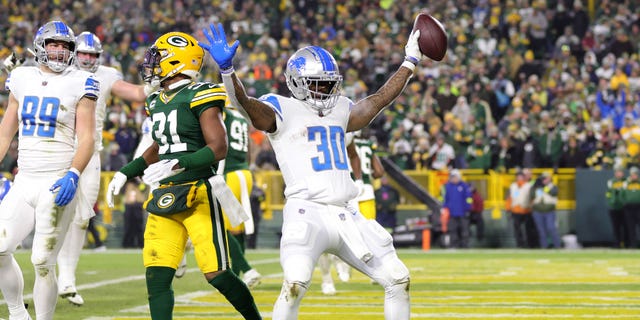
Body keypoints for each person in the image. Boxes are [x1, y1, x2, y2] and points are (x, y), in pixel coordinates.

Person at [199, 21, 425, 319]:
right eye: (317, 83)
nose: (325, 89)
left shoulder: (340, 109)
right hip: (307, 211)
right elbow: (246, 105)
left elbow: (379, 100)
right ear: (295, 82)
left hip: (347, 212)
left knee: (398, 279)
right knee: (295, 284)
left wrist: (410, 62)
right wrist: (228, 72)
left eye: (329, 83)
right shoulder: (280, 107)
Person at [105, 31, 261, 320]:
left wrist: (180, 163)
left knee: (217, 274)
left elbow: (218, 147)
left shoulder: (202, 93)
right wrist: (126, 172)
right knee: (157, 277)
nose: (151, 64)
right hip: (165, 193)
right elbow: (159, 146)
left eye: (158, 58)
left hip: (200, 190)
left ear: (177, 62)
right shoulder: (157, 100)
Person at [0, 20, 98, 320]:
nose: (58, 51)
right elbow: (6, 132)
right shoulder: (20, 77)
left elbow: (87, 138)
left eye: (65, 46)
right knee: (0, 249)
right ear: (40, 46)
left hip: (57, 181)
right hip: (24, 179)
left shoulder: (81, 81)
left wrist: (73, 173)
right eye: (53, 44)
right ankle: (18, 314)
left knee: (42, 261)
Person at [55, 31, 156, 306]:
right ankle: (49, 269)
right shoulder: (59, 70)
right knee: (53, 212)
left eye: (92, 55)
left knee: (82, 217)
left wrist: (155, 82)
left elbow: (136, 94)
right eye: (84, 53)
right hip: (58, 150)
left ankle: (67, 277)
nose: (87, 59)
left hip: (90, 152)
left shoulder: (107, 75)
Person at [440, 170, 472, 248]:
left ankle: (464, 246)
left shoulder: (464, 186)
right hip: (451, 213)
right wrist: (444, 208)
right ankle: (453, 246)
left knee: (464, 230)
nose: (454, 179)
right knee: (452, 230)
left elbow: (468, 198)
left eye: (455, 177)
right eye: (452, 177)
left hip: (463, 213)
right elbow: (444, 199)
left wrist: (468, 209)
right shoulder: (447, 187)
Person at [505, 170, 536, 248]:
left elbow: (532, 197)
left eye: (521, 176)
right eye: (518, 176)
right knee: (517, 229)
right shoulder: (513, 186)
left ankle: (529, 244)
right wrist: (508, 208)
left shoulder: (528, 185)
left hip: (526, 210)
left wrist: (532, 207)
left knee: (528, 229)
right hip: (515, 210)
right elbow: (509, 198)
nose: (519, 178)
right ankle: (520, 244)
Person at [530, 171, 561, 248]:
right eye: (543, 178)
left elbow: (553, 192)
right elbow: (532, 195)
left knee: (551, 228)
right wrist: (534, 185)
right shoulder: (537, 187)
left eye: (546, 178)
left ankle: (557, 246)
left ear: (550, 178)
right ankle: (544, 247)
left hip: (549, 211)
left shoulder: (553, 186)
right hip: (537, 211)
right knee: (541, 231)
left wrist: (544, 187)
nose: (544, 180)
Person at [606, 166, 628, 248]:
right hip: (614, 207)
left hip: (625, 207)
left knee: (626, 227)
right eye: (617, 172)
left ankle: (627, 243)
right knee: (616, 227)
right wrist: (611, 202)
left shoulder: (626, 181)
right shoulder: (611, 182)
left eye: (620, 172)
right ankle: (616, 244)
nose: (619, 174)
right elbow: (608, 194)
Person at [620, 166, 640, 249]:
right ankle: (633, 245)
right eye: (632, 174)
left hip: (639, 207)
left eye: (635, 174)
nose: (634, 176)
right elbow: (622, 195)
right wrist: (624, 203)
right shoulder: (626, 183)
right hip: (629, 208)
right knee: (631, 227)